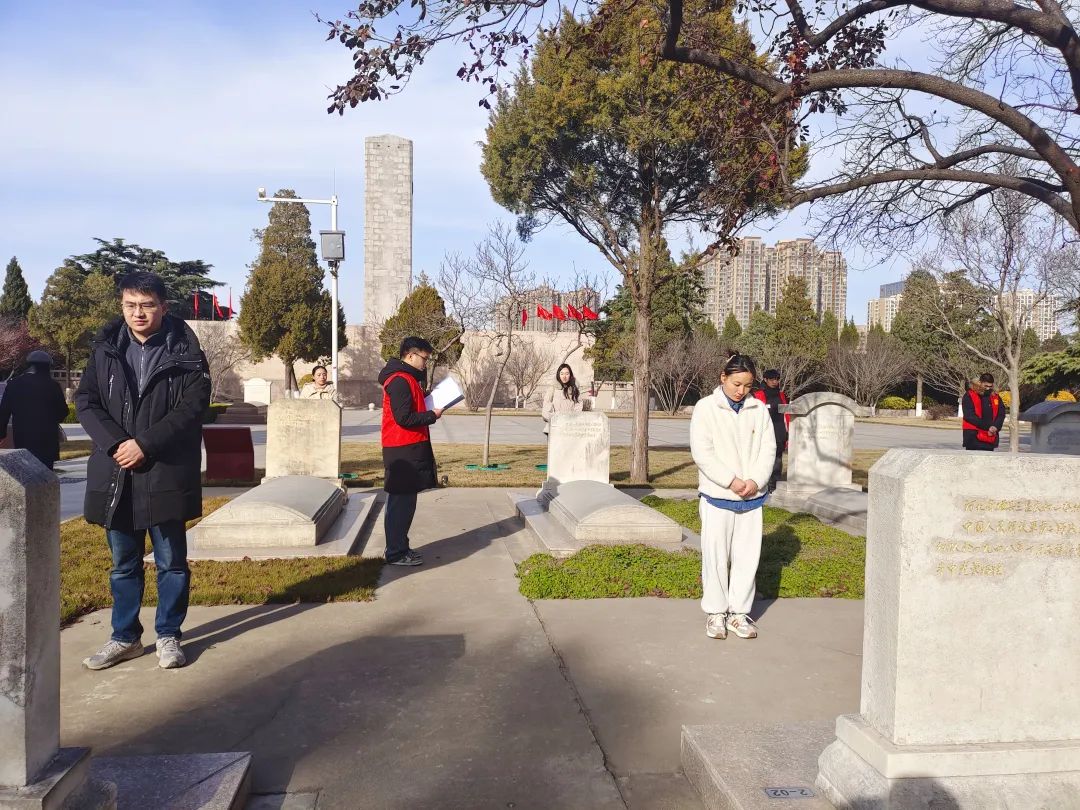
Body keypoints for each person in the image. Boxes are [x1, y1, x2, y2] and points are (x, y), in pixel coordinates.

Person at [76, 271, 210, 671]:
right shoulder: (105, 350)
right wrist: (118, 444)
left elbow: (192, 407)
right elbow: (86, 401)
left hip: (164, 469)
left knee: (171, 562)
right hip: (117, 470)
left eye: (147, 306)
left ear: (163, 308)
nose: (138, 313)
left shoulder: (186, 351)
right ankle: (125, 637)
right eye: (130, 305)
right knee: (123, 563)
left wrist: (145, 444)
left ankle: (168, 634)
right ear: (122, 306)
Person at [690, 354, 775, 641]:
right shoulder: (706, 408)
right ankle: (716, 612)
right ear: (723, 377)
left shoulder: (758, 409)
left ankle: (739, 613)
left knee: (747, 557)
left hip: (752, 497)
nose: (741, 391)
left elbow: (768, 449)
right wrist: (731, 481)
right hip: (718, 495)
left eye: (747, 386)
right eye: (736, 384)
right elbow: (702, 452)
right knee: (715, 556)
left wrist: (755, 481)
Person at [378, 336, 445, 566]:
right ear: (410, 355)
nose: (426, 363)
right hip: (402, 449)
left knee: (404, 503)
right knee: (400, 504)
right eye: (424, 358)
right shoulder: (399, 380)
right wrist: (432, 415)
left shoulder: (408, 378)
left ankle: (400, 547)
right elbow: (404, 418)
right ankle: (396, 553)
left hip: (408, 447)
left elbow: (409, 406)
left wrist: (426, 399)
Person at [0, 350, 69, 470]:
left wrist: (1, 433)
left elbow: (4, 412)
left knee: (25, 472)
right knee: (46, 474)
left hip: (23, 436)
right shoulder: (53, 385)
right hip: (47, 439)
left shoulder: (14, 384)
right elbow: (63, 411)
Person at [751, 369, 790, 491]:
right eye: (772, 379)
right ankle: (762, 485)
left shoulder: (783, 395)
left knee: (777, 461)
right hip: (763, 433)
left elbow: (787, 415)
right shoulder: (757, 395)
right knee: (763, 460)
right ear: (765, 379)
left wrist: (787, 433)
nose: (775, 381)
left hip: (780, 433)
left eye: (777, 379)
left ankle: (775, 488)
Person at [961, 373, 1005, 451]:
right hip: (973, 436)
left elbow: (1001, 414)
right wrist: (988, 427)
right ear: (980, 382)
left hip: (990, 436)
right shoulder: (969, 395)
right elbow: (969, 416)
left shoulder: (995, 396)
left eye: (990, 386)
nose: (988, 388)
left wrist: (996, 427)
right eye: (986, 386)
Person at [541, 363, 583, 435]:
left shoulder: (574, 389)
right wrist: (554, 418)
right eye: (562, 374)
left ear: (570, 375)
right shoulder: (553, 388)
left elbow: (578, 405)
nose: (564, 376)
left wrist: (573, 419)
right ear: (558, 375)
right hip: (554, 426)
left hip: (569, 427)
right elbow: (546, 405)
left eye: (567, 374)